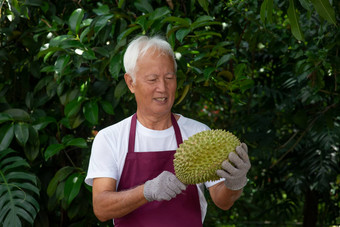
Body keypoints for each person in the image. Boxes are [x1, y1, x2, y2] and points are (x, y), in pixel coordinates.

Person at [85, 35, 251, 226]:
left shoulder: (199, 133)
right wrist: (147, 191)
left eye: (169, 78)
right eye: (152, 79)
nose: (162, 88)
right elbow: (101, 208)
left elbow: (223, 201)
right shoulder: (110, 138)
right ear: (131, 83)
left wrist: (235, 183)